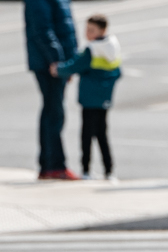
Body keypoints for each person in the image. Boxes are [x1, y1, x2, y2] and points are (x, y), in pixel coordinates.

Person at [24, 0, 79, 180]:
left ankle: (51, 164)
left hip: (59, 63)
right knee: (53, 113)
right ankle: (52, 165)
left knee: (54, 112)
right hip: (49, 64)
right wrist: (57, 61)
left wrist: (71, 63)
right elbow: (42, 30)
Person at [52, 14, 121, 181]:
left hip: (89, 98)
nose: (88, 33)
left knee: (87, 135)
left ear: (102, 30)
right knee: (103, 134)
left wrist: (58, 69)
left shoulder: (93, 49)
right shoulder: (113, 45)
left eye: (91, 30)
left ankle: (86, 170)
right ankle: (109, 170)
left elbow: (77, 64)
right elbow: (117, 72)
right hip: (105, 97)